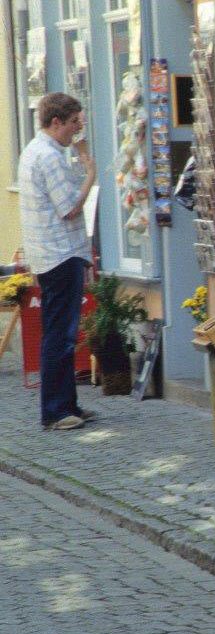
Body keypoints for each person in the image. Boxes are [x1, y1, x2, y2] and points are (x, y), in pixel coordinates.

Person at [17, 92, 97, 431]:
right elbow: (69, 208)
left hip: (50, 254)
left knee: (60, 331)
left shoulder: (37, 150)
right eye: (74, 123)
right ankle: (55, 411)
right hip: (60, 254)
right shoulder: (49, 156)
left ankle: (67, 405)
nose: (77, 131)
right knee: (60, 335)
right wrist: (90, 173)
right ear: (56, 122)